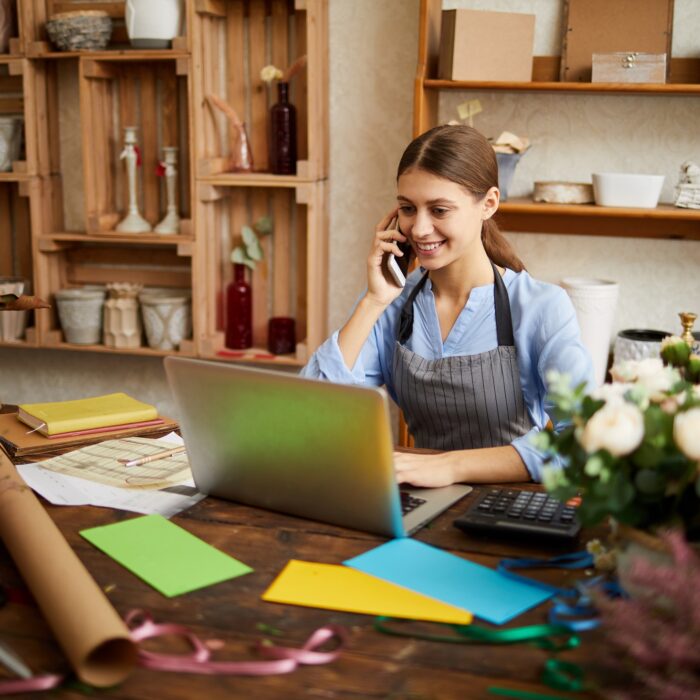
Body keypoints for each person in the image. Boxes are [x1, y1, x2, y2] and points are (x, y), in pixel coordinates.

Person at [302, 124, 594, 487]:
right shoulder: (395, 303)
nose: (420, 229)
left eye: (439, 210)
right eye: (408, 209)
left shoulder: (541, 307)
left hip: (510, 505)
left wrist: (452, 467)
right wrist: (373, 300)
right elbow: (313, 412)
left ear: (488, 204)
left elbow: (583, 442)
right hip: (419, 502)